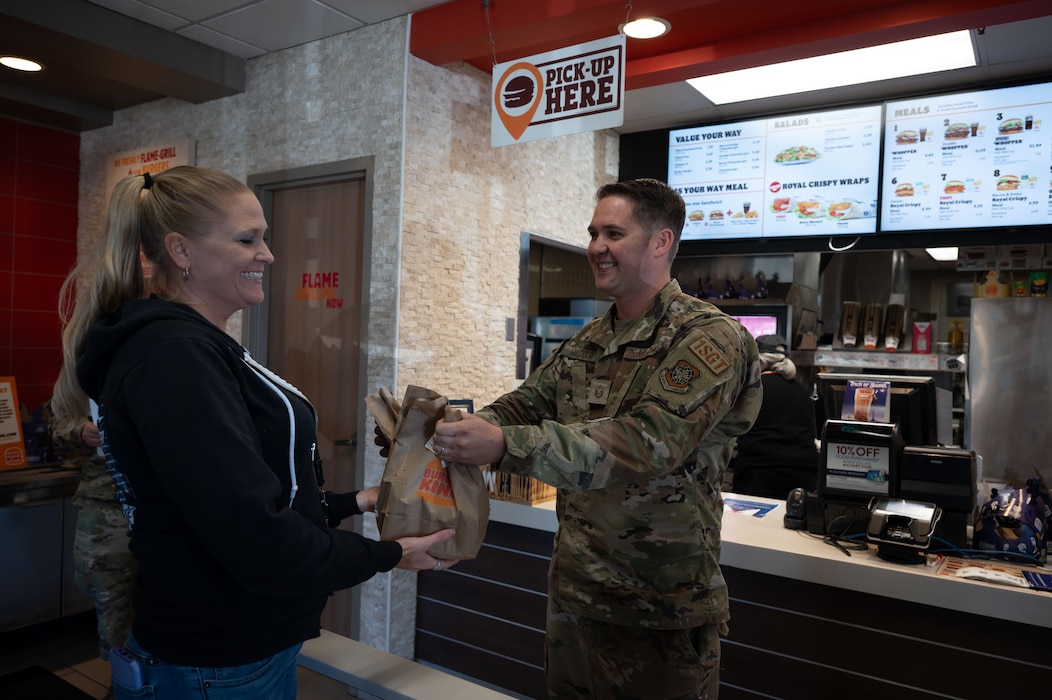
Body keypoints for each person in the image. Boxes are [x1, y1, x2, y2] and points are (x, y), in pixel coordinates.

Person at [50, 166, 456, 700]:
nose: (267, 255)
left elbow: (227, 500)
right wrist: (390, 554)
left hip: (239, 651)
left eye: (264, 238)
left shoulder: (196, 347)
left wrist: (353, 501)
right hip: (214, 663)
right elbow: (256, 538)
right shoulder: (176, 357)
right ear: (182, 251)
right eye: (247, 240)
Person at [431, 178, 763, 699]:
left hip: (658, 609)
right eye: (593, 233)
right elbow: (525, 404)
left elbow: (649, 441)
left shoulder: (707, 336)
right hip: (577, 596)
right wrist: (459, 432)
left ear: (660, 242)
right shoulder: (589, 340)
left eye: (614, 233)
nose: (596, 248)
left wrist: (504, 445)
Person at [47, 388, 137, 666]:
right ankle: (123, 681)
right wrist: (79, 431)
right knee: (112, 602)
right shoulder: (82, 375)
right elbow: (54, 424)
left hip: (160, 505)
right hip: (105, 506)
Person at [729, 335, 819, 499]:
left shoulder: (753, 389)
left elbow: (732, 426)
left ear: (757, 360)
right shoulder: (801, 390)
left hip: (760, 472)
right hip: (803, 472)